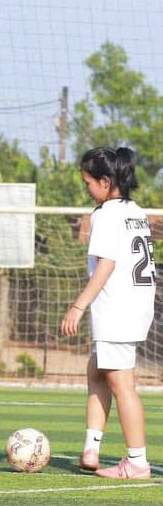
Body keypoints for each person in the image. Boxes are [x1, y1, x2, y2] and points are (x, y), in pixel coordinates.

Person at [60, 147, 155, 480]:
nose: (86, 188)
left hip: (118, 306)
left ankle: (137, 462)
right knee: (97, 369)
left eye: (87, 182)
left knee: (121, 383)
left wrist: (78, 305)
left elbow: (107, 264)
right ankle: (92, 448)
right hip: (135, 304)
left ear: (104, 181)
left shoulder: (105, 214)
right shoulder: (135, 210)